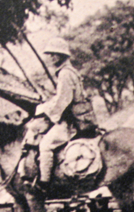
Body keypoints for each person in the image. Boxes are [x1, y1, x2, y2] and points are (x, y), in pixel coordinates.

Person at [33, 37, 99, 193]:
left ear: (60, 55)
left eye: (53, 54)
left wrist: (45, 113)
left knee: (45, 145)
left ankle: (44, 183)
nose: (50, 57)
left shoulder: (65, 74)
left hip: (71, 122)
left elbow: (63, 101)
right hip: (75, 117)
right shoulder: (69, 72)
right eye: (49, 54)